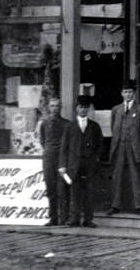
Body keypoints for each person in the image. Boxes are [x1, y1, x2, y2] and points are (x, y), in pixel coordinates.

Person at [58, 95, 103, 228]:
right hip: (74, 165)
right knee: (75, 192)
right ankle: (75, 219)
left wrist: (95, 159)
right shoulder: (69, 126)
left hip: (89, 164)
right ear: (76, 108)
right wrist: (62, 165)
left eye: (85, 107)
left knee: (89, 192)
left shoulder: (94, 126)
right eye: (80, 107)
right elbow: (64, 147)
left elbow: (100, 145)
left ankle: (88, 219)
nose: (83, 110)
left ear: (88, 109)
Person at [108, 79, 140, 215]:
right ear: (121, 94)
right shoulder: (116, 110)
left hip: (133, 146)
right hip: (119, 146)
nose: (128, 95)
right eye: (125, 92)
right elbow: (113, 127)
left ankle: (139, 205)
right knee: (117, 176)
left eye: (130, 92)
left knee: (135, 176)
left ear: (134, 93)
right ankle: (115, 205)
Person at [38, 96, 70, 226]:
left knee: (62, 188)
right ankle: (53, 218)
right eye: (52, 106)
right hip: (49, 158)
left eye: (57, 106)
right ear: (49, 107)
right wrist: (49, 151)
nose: (55, 109)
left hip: (62, 159)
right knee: (51, 189)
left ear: (60, 108)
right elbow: (42, 140)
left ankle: (64, 218)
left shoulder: (67, 124)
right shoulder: (45, 123)